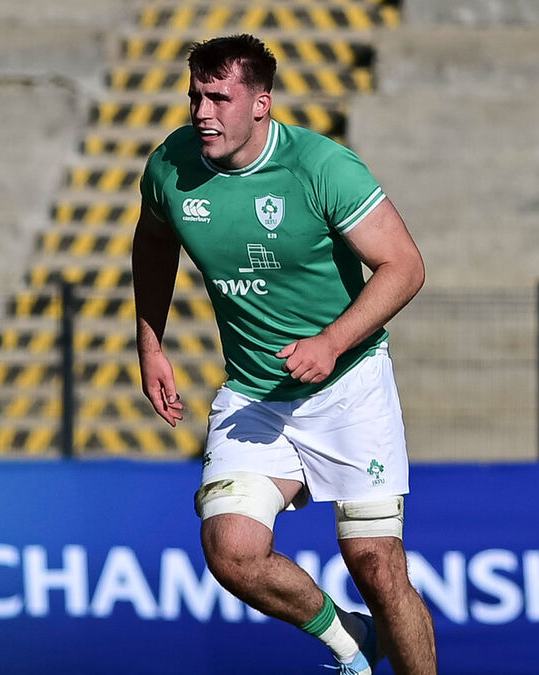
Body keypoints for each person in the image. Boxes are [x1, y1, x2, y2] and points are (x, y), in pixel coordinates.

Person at [131, 34, 436, 675]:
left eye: (219, 98)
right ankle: (351, 641)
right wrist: (150, 344)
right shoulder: (170, 167)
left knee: (376, 567)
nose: (203, 112)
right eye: (195, 97)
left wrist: (331, 343)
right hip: (255, 392)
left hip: (348, 386)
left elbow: (404, 267)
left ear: (261, 103)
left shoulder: (322, 168)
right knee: (231, 550)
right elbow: (154, 242)